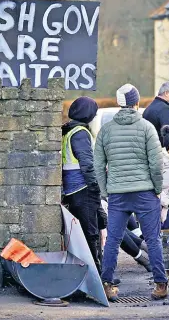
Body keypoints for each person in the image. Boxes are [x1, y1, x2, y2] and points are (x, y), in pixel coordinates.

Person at [94, 84, 168, 302]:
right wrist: (157, 188)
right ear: (136, 103)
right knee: (153, 239)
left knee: (113, 240)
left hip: (117, 193)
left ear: (118, 103)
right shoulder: (146, 127)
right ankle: (160, 284)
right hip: (145, 191)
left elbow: (99, 164)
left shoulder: (106, 130)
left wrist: (106, 190)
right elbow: (156, 163)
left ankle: (107, 285)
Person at [62, 97, 103, 273]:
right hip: (83, 189)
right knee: (90, 235)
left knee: (88, 233)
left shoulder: (69, 130)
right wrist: (95, 188)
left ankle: (96, 273)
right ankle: (95, 276)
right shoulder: (80, 133)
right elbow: (87, 164)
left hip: (73, 189)